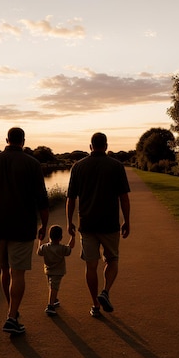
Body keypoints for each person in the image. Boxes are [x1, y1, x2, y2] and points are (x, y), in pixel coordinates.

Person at [0, 127, 49, 335]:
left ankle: (13, 313)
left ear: (6, 139)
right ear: (23, 141)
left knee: (4, 270)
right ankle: (11, 315)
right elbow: (42, 199)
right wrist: (44, 224)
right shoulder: (32, 164)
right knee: (18, 273)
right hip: (22, 225)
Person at [66, 132, 131, 317]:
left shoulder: (78, 167)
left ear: (90, 146)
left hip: (87, 224)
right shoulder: (117, 166)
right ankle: (106, 291)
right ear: (106, 145)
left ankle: (95, 304)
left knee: (91, 266)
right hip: (110, 223)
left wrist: (69, 221)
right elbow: (124, 198)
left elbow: (70, 199)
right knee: (112, 260)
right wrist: (127, 220)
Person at [37, 225, 75, 316]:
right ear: (61, 238)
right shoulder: (62, 248)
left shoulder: (45, 247)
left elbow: (39, 251)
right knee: (54, 287)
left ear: (49, 236)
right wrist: (73, 236)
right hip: (58, 271)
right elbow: (70, 248)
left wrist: (40, 240)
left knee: (51, 285)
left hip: (48, 270)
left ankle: (54, 300)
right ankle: (50, 306)